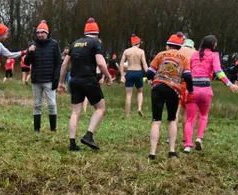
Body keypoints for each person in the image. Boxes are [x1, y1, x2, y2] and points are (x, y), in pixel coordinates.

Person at [58, 18, 112, 151]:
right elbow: (100, 63)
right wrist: (109, 76)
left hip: (74, 80)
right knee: (101, 108)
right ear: (96, 33)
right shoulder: (95, 43)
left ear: (85, 32)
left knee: (75, 111)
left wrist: (61, 82)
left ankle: (72, 144)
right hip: (89, 80)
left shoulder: (75, 43)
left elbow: (65, 64)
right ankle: (89, 135)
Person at [182, 36, 238, 153]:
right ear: (213, 44)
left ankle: (188, 145)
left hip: (192, 88)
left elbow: (186, 71)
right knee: (203, 115)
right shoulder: (214, 55)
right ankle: (199, 138)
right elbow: (218, 71)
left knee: (189, 119)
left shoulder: (194, 54)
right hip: (205, 89)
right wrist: (230, 84)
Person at [146, 33, 194, 160]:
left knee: (156, 121)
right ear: (179, 47)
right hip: (174, 90)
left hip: (158, 88)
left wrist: (152, 79)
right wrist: (190, 90)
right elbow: (188, 76)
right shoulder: (184, 58)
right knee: (172, 119)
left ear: (168, 45)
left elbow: (149, 72)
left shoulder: (160, 54)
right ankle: (172, 151)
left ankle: (152, 153)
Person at [24, 20, 61, 133]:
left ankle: (53, 129)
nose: (40, 34)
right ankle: (36, 130)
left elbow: (58, 62)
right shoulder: (32, 45)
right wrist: (30, 52)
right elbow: (26, 62)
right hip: (36, 80)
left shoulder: (54, 44)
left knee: (51, 104)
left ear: (47, 33)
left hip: (49, 80)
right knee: (37, 105)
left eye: (42, 32)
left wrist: (56, 78)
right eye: (38, 32)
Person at [120, 34, 148, 117]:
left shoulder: (126, 51)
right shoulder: (141, 51)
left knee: (128, 95)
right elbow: (144, 64)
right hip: (139, 73)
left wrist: (122, 75)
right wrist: (149, 75)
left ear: (132, 43)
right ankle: (139, 108)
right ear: (138, 43)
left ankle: (127, 114)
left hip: (130, 72)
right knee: (140, 92)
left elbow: (121, 63)